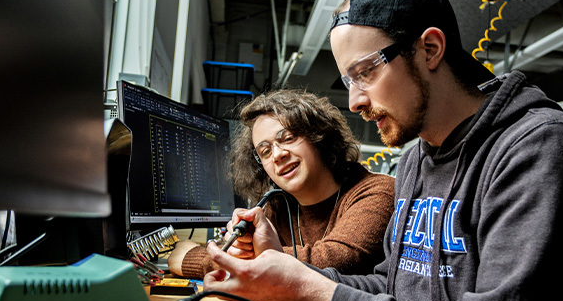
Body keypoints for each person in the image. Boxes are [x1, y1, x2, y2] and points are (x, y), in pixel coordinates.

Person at [201, 0, 563, 301]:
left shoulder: (539, 151)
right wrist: (290, 271)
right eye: (348, 82)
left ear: (429, 49)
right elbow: (393, 286)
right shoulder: (415, 161)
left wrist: (309, 291)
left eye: (365, 72)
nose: (354, 102)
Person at [168, 89, 395, 278]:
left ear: (319, 137)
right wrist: (237, 246)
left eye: (287, 138)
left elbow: (339, 260)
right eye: (265, 151)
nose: (277, 155)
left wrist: (199, 259)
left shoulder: (377, 192)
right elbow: (249, 259)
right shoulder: (277, 206)